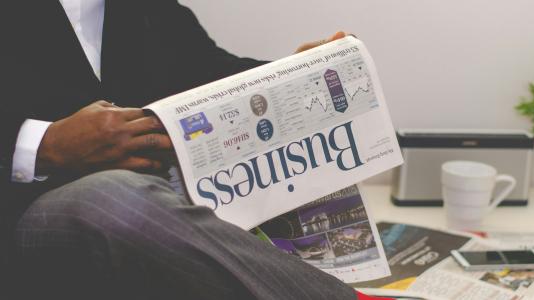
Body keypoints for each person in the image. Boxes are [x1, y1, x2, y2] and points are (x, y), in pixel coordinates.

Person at [0, 1, 383, 299]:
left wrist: (287, 77)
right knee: (112, 199)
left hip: (156, 210)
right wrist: (44, 145)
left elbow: (203, 71)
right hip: (25, 214)